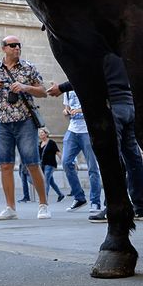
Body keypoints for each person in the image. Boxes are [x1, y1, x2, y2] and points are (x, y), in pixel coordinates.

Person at [48, 54, 143, 222]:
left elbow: (85, 77)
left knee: (112, 157)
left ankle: (114, 206)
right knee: (133, 158)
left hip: (113, 107)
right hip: (129, 105)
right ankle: (142, 208)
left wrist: (61, 88)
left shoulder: (99, 49)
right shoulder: (121, 51)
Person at [0, 35, 50, 220]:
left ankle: (43, 205)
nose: (17, 48)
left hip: (25, 121)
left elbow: (43, 92)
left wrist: (25, 87)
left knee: (32, 163)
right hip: (1, 122)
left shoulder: (29, 67)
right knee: (5, 165)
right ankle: (10, 208)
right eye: (12, 45)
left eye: (19, 45)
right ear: (4, 48)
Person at [58, 89, 103, 218]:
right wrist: (66, 112)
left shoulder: (88, 84)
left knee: (93, 168)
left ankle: (95, 202)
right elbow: (66, 109)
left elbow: (97, 106)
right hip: (72, 130)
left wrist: (80, 110)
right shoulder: (67, 90)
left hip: (88, 131)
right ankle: (79, 197)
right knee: (66, 162)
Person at [39, 128, 65, 203]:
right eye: (40, 133)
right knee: (51, 181)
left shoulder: (51, 143)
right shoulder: (39, 144)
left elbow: (58, 152)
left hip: (50, 164)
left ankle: (44, 198)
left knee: (46, 180)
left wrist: (64, 162)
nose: (41, 134)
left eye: (42, 133)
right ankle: (60, 194)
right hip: (42, 165)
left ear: (46, 134)